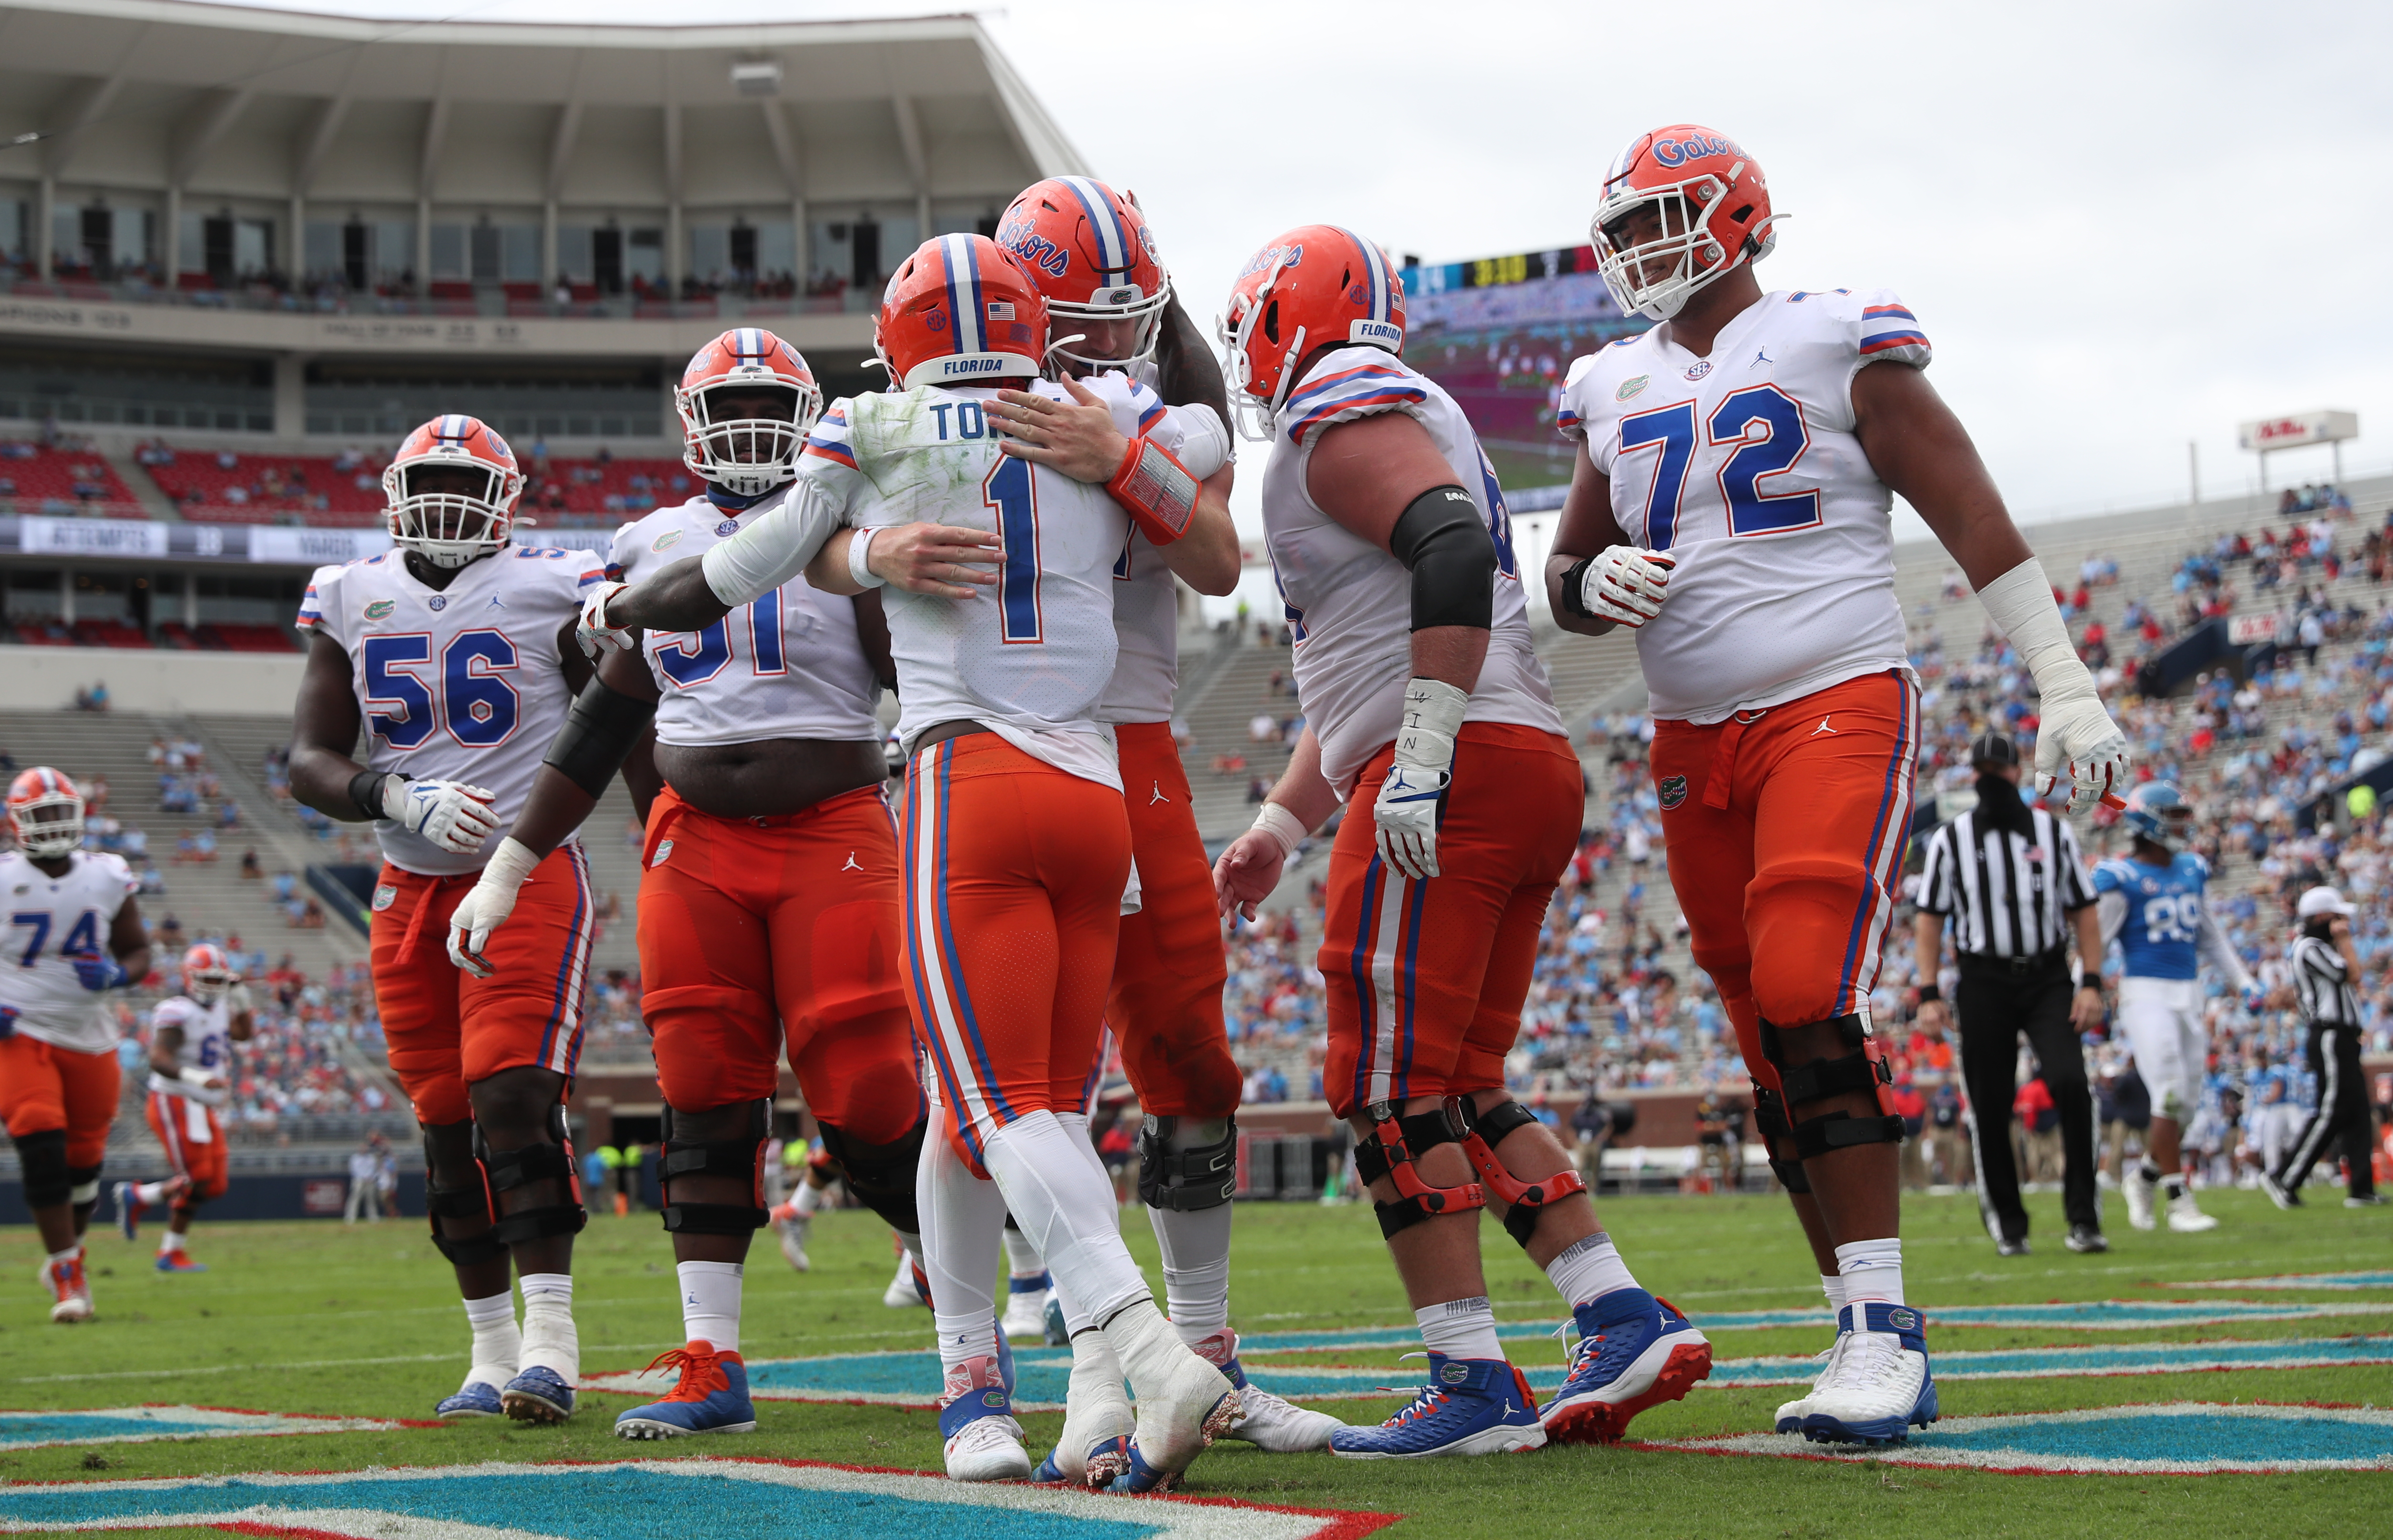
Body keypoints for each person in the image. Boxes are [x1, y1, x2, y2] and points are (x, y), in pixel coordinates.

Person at [581, 233, 1239, 1491]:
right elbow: (1208, 455)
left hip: (967, 781)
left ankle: (1149, 1352)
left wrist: (621, 606)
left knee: (990, 1107)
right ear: (1029, 324)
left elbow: (731, 572)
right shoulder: (1095, 413)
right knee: (1023, 1104)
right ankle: (1049, 1397)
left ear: (900, 340)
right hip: (1097, 785)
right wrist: (1159, 334)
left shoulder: (872, 426)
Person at [1542, 126, 2129, 1446]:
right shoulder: (1607, 381)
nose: (1640, 249)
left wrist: (2063, 675)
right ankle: (1848, 1310)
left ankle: (1884, 1332)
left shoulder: (1830, 333)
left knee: (1811, 987)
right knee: (1763, 1030)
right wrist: (1591, 586)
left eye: (1663, 219)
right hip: (1692, 735)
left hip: (1834, 698)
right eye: (1624, 228)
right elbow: (1567, 579)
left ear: (1740, 215)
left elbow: (1966, 506)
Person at [1211, 222, 1708, 1459]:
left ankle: (1473, 1380)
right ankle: (1616, 1309)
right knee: (1458, 1084)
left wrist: (1424, 753)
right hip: (1517, 756)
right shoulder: (1399, 400)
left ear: (1286, 317)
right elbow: (1369, 670)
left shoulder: (1341, 404)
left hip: (1461, 757)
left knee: (1381, 1086)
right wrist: (1283, 823)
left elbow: (1440, 545)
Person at [446, 328, 936, 1442]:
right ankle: (712, 1357)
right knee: (702, 1086)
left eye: (774, 400)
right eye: (734, 402)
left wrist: (921, 734)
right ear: (689, 422)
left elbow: (921, 667)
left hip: (833, 828)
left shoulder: (845, 519)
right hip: (697, 838)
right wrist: (513, 864)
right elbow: (606, 712)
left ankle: (968, 1318)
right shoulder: (655, 541)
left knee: (863, 1089)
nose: (752, 420)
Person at [986, 176, 1337, 1477]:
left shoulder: (1153, 413)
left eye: (1133, 312)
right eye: (1088, 314)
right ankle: (1089, 1362)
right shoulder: (953, 414)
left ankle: (1207, 1357)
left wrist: (1119, 452)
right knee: (1044, 1078)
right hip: (1013, 742)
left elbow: (1210, 557)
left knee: (1191, 1062)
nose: (1115, 336)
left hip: (1134, 745)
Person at [287, 414, 608, 1423]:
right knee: (441, 1127)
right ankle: (489, 1351)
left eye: (465, 482)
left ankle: (552, 1345)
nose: (445, 498)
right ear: (390, 487)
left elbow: (615, 712)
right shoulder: (348, 593)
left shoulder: (556, 586)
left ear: (507, 499)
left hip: (529, 869)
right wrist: (390, 795)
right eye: (428, 479)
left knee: (510, 1090)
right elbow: (308, 758)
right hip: (404, 882)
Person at [1912, 732, 2108, 1256]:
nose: (1990, 782)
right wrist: (1928, 990)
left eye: (1997, 772)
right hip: (1982, 980)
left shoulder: (2052, 832)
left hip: (2046, 977)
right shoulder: (1950, 839)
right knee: (1990, 1101)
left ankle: (2084, 1217)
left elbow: (2083, 910)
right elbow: (1929, 921)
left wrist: (2089, 980)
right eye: (1982, 774)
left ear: (2016, 774)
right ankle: (2007, 1221)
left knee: (2070, 1082)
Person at [0, 769, 149, 1323]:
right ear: (19, 822)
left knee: (84, 1162)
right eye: (42, 815)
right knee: (38, 1137)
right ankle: (68, 1271)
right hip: (20, 1031)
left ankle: (69, 1253)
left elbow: (139, 953)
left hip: (89, 1032)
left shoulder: (107, 875)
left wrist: (113, 976)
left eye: (62, 812)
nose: (55, 825)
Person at [2093, 782, 2257, 1234]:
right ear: (2148, 821)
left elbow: (2210, 935)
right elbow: (2098, 942)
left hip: (2189, 991)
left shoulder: (2191, 868)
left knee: (2183, 1106)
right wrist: (2080, 989)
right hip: (2145, 992)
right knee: (2166, 1089)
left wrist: (2243, 982)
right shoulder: (2119, 876)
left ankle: (2141, 1177)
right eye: (2173, 815)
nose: (2183, 825)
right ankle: (2177, 1197)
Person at [116, 943, 253, 1270]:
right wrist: (196, 1076)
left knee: (214, 1183)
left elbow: (245, 1033)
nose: (213, 986)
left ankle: (143, 1199)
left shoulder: (220, 1008)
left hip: (201, 1106)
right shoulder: (176, 1010)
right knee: (198, 1175)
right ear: (189, 977)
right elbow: (158, 1058)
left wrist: (242, 996)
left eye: (219, 980)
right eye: (206, 979)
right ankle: (168, 1251)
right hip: (174, 1098)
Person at [2266, 886, 2383, 1208]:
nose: (2341, 922)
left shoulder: (2318, 946)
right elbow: (2352, 975)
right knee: (2331, 1110)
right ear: (2321, 917)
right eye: (2336, 916)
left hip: (2343, 1037)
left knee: (2359, 1111)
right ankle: (2284, 1176)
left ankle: (2360, 1189)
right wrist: (2344, 941)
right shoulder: (2308, 946)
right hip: (2329, 1036)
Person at [346, 1138, 383, 1223]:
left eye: (365, 1148)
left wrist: (371, 1177)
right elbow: (353, 1170)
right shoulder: (355, 1158)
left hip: (370, 1181)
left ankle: (373, 1217)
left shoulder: (371, 1158)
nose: (364, 1150)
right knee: (355, 1199)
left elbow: (375, 1169)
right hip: (359, 1181)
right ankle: (351, 1217)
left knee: (371, 1200)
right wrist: (362, 1177)